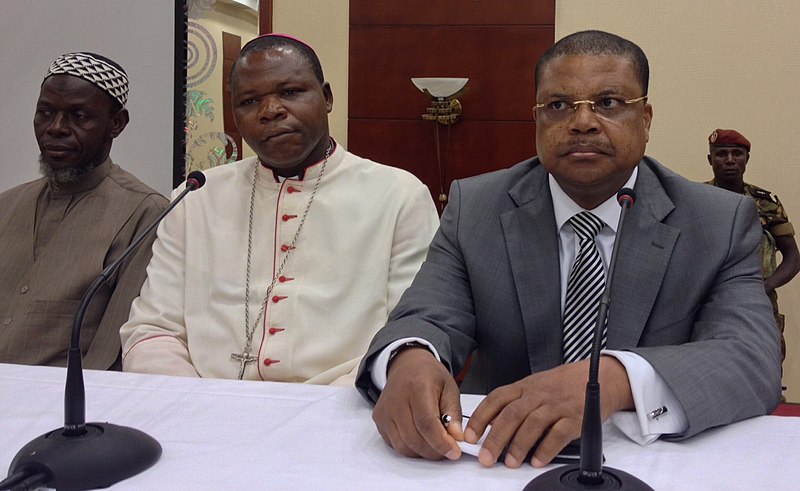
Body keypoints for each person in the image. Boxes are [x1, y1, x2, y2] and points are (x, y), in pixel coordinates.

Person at [356, 30, 781, 469]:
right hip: (495, 463)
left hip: (647, 460)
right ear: (536, 119)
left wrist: (614, 379)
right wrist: (408, 358)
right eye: (558, 106)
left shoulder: (717, 221)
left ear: (646, 119)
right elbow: (426, 315)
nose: (582, 123)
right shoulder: (476, 208)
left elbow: (750, 358)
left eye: (609, 103)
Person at [120, 34, 439, 385]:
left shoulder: (398, 196)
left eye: (290, 92)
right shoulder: (195, 197)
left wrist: (324, 411)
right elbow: (152, 329)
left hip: (340, 413)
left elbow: (406, 338)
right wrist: (197, 403)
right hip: (203, 407)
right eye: (249, 100)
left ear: (327, 97)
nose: (270, 110)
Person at [0, 52, 168, 369]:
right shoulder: (5, 206)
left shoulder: (146, 214)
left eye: (79, 116)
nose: (56, 128)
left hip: (60, 410)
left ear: (116, 123)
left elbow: (108, 354)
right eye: (45, 113)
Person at [705, 128, 799, 372]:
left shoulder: (767, 204)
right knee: (712, 369)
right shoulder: (695, 199)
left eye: (737, 154)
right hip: (708, 302)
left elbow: (793, 258)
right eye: (721, 154)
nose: (729, 160)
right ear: (710, 159)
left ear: (747, 159)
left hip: (758, 303)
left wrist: (765, 287)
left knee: (764, 369)